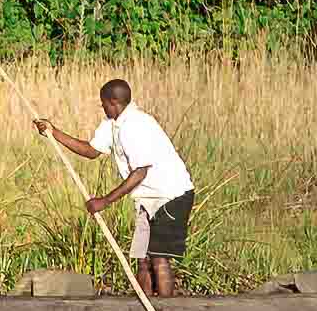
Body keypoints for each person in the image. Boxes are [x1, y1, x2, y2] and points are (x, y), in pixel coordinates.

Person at [36, 79, 198, 298]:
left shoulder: (136, 125)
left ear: (113, 102)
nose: (102, 106)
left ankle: (164, 310)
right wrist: (53, 132)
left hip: (171, 195)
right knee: (142, 259)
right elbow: (91, 151)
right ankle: (145, 308)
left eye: (103, 103)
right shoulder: (112, 123)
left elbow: (140, 172)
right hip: (146, 199)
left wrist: (104, 201)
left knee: (159, 259)